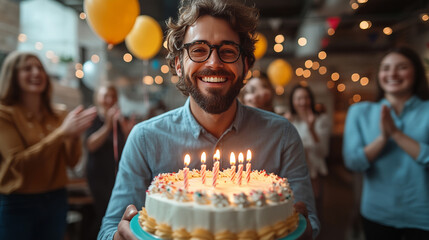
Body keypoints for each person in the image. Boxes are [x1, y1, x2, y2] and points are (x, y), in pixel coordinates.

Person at [98, 1, 319, 239]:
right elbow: (110, 228)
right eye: (198, 50)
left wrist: (304, 232)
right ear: (178, 65)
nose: (214, 63)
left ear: (245, 65)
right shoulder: (144, 139)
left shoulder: (282, 135)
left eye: (228, 51)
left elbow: (311, 224)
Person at [0, 51, 97, 239]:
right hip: (17, 203)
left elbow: (72, 161)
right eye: (27, 68)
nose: (36, 73)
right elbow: (17, 164)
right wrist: (61, 133)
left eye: (40, 68)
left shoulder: (58, 114)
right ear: (12, 75)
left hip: (56, 199)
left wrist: (75, 135)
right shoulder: (4, 114)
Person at [343, 46, 429, 240]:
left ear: (416, 72)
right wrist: (383, 138)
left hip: (423, 217)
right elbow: (353, 162)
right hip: (376, 214)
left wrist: (397, 134)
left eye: (401, 67)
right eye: (386, 68)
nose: (392, 73)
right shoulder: (360, 112)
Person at [85, 84, 135, 238]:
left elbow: (126, 147)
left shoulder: (120, 119)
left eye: (113, 96)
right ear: (98, 98)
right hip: (98, 175)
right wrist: (107, 125)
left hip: (116, 174)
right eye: (106, 95)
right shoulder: (93, 117)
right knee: (103, 211)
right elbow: (90, 145)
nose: (110, 99)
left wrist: (128, 131)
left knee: (115, 210)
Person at [284, 84, 331, 202]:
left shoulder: (321, 119)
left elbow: (323, 152)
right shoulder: (289, 120)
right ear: (292, 101)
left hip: (314, 173)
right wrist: (286, 126)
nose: (303, 102)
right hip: (292, 173)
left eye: (306, 97)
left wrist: (312, 129)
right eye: (299, 98)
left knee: (314, 207)